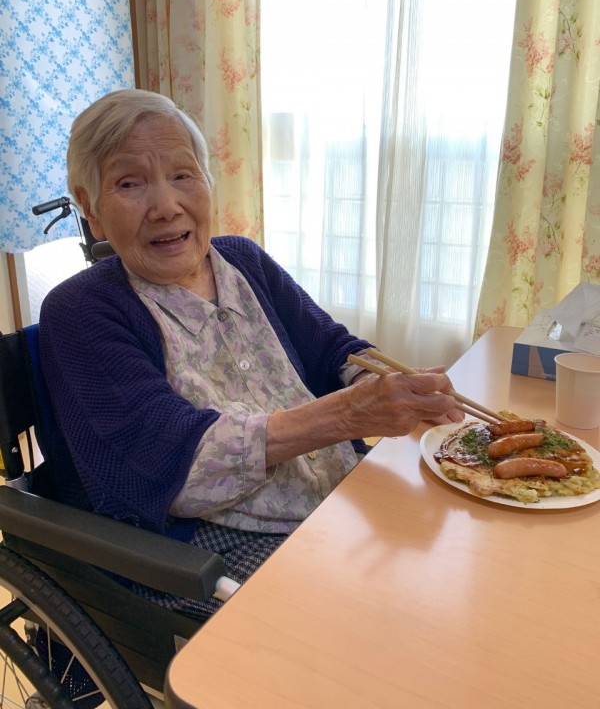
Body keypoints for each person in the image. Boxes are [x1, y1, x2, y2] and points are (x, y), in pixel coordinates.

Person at [39, 89, 463, 618]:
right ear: (91, 210)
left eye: (182, 175)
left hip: (333, 492)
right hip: (207, 549)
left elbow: (332, 348)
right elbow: (172, 464)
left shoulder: (242, 259)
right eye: (130, 184)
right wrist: (350, 414)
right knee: (388, 625)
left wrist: (391, 388)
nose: (166, 207)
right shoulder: (82, 310)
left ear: (207, 181)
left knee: (456, 560)